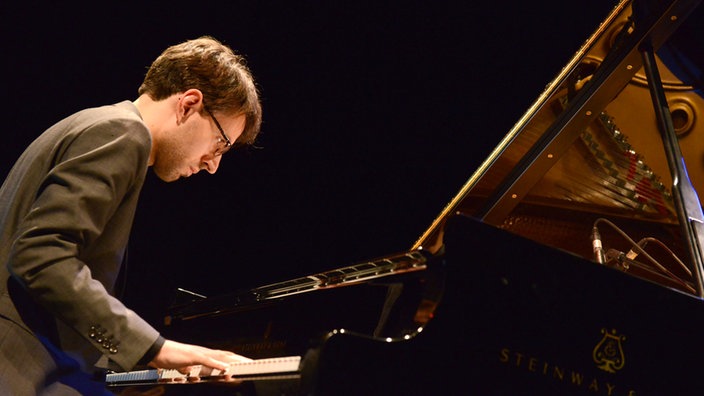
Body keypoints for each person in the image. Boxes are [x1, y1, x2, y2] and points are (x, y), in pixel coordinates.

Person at [0, 36, 263, 394]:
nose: (213, 165)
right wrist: (157, 349)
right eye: (220, 144)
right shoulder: (123, 133)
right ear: (188, 104)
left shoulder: (97, 125)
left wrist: (130, 373)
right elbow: (40, 257)